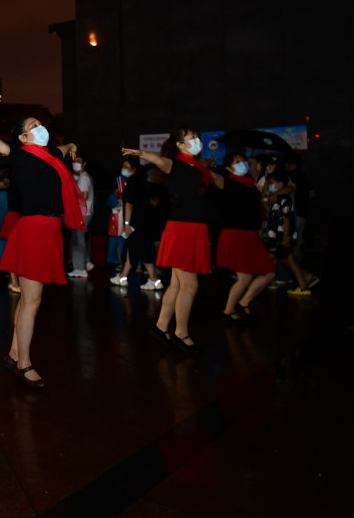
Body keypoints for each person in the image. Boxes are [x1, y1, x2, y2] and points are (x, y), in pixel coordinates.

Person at [0, 118, 84, 388]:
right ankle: (24, 364)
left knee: (28, 300)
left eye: (40, 124)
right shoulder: (20, 156)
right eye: (33, 126)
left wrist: (71, 147)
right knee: (32, 301)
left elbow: (67, 144)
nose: (40, 127)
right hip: (34, 228)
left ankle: (14, 355)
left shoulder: (52, 156)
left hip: (50, 228)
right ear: (23, 138)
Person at [122, 126, 224, 352]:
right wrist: (140, 154)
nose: (197, 140)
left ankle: (161, 326)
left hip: (195, 229)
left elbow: (221, 185)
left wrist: (210, 169)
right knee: (190, 285)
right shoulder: (175, 164)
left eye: (197, 136)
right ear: (179, 145)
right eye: (191, 138)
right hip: (182, 230)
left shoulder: (199, 168)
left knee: (177, 285)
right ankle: (181, 333)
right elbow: (158, 160)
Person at [216, 153, 275, 320]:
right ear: (229, 168)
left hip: (251, 234)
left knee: (267, 273)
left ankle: (242, 303)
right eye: (237, 162)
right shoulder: (228, 182)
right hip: (237, 234)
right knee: (245, 277)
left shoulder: (251, 183)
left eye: (243, 161)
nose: (242, 164)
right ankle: (229, 310)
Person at [110, 157, 163, 290]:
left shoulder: (133, 183)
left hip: (136, 223)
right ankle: (151, 279)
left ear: (134, 169)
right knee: (139, 250)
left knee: (134, 249)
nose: (125, 170)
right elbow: (150, 202)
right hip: (143, 222)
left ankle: (127, 277)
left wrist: (127, 224)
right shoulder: (141, 182)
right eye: (124, 167)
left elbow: (129, 204)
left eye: (127, 167)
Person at [262, 170, 316, 297]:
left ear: (281, 183)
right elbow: (268, 210)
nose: (270, 185)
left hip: (281, 236)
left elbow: (286, 219)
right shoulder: (275, 197)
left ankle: (303, 284)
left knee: (287, 259)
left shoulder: (284, 198)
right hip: (275, 235)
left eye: (272, 183)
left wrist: (286, 237)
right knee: (285, 259)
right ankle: (304, 280)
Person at [68, 156, 95, 278]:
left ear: (84, 163)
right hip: (86, 213)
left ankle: (79, 268)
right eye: (74, 161)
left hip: (82, 214)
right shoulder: (85, 177)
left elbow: (83, 196)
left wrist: (71, 198)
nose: (75, 163)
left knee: (78, 241)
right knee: (81, 239)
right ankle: (86, 262)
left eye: (78, 161)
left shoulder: (83, 178)